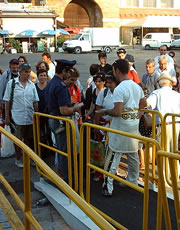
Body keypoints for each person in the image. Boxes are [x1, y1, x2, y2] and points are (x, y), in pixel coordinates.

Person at [96, 59, 147, 196]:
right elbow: (144, 104)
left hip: (120, 128)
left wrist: (105, 111)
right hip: (132, 126)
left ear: (117, 71)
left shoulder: (120, 89)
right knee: (133, 156)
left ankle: (108, 186)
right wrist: (137, 115)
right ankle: (132, 181)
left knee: (113, 155)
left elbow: (117, 112)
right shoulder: (137, 87)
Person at [46, 59, 81, 182]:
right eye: (69, 71)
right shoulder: (61, 86)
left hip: (53, 119)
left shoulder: (52, 83)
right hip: (61, 122)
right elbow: (64, 110)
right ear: (64, 71)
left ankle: (63, 176)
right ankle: (67, 180)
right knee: (65, 152)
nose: (69, 74)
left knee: (61, 150)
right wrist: (75, 108)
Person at [147, 73, 180, 184]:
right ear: (170, 83)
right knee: (174, 150)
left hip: (164, 125)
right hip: (177, 124)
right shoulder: (176, 94)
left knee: (164, 151)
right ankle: (175, 176)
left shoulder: (157, 93)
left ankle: (165, 179)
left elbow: (148, 104)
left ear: (160, 83)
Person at [3, 63, 39, 168]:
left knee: (29, 139)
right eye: (26, 72)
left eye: (29, 72)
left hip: (30, 117)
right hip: (17, 117)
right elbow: (7, 101)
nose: (28, 74)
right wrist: (7, 117)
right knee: (18, 140)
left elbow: (35, 101)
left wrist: (37, 115)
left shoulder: (32, 85)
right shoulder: (12, 84)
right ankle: (18, 159)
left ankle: (29, 158)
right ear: (20, 72)